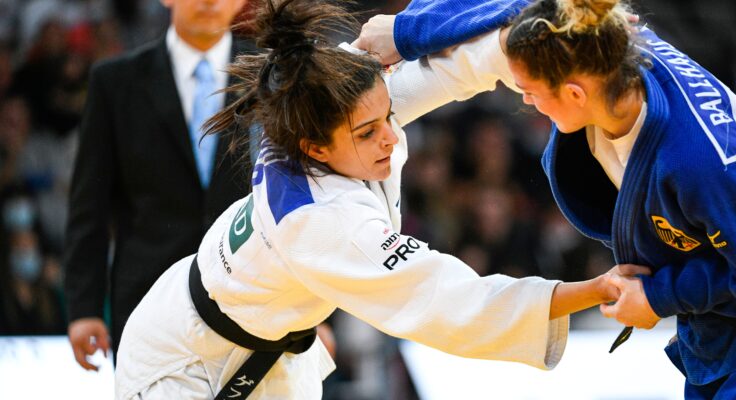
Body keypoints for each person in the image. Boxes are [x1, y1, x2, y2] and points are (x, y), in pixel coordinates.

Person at [113, 0, 648, 398]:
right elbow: (450, 301)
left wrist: (543, 58)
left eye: (385, 117)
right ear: (316, 149)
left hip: (267, 344)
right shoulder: (323, 221)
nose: (389, 137)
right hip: (179, 362)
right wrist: (593, 288)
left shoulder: (323, 94)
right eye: (368, 134)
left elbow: (443, 69)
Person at [354, 0, 736, 398]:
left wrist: (658, 296)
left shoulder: (700, 161)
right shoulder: (599, 38)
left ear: (573, 93)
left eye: (531, 92)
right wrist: (407, 32)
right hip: (723, 324)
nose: (525, 102)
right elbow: (522, 8)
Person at [63, 0, 253, 370]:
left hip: (254, 300)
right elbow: (90, 206)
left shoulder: (273, 75)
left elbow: (301, 197)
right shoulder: (115, 82)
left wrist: (314, 317)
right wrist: (84, 308)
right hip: (145, 302)